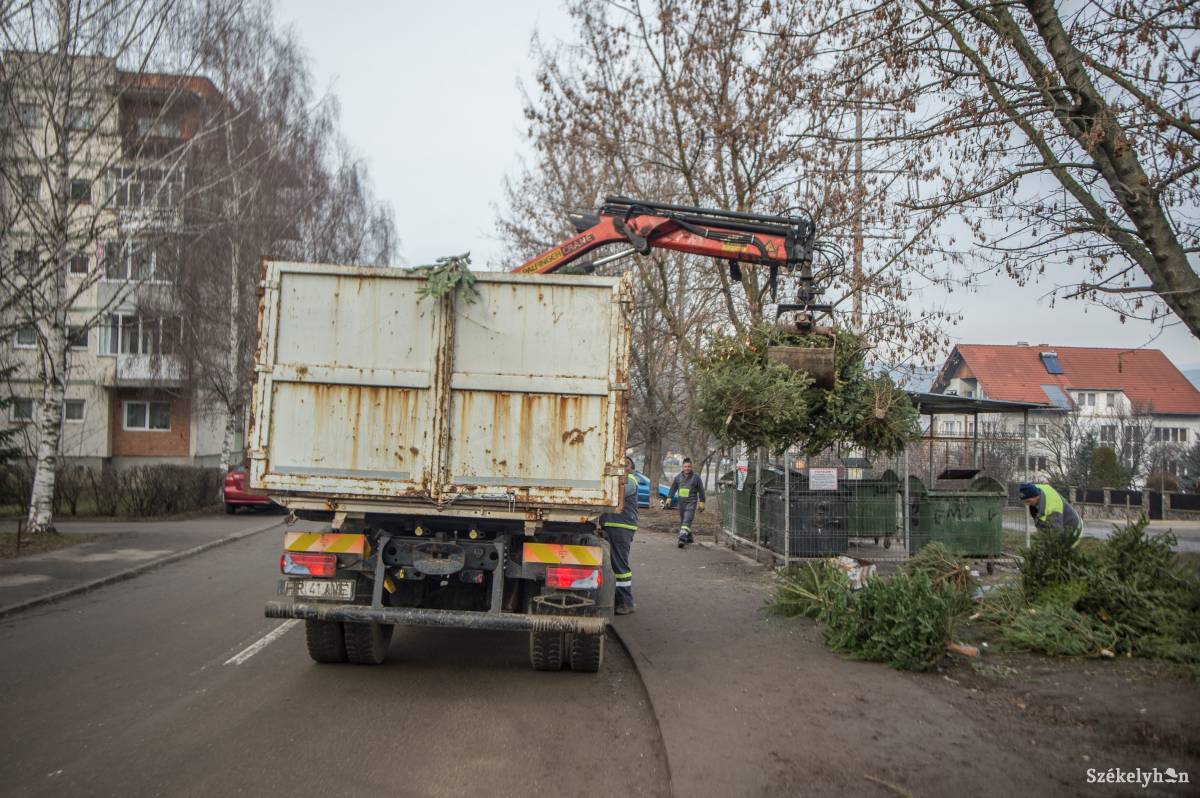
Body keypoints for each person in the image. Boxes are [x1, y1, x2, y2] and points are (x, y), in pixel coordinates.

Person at [600, 456, 639, 615]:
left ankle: (626, 602)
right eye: (622, 464)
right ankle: (619, 600)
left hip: (621, 528)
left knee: (620, 566)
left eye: (627, 465)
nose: (624, 467)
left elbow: (616, 491)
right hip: (613, 526)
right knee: (615, 565)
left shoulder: (631, 481)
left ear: (631, 469)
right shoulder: (622, 479)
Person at [1019, 482, 1082, 546]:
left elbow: (1056, 535)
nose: (1026, 504)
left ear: (1037, 496)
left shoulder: (1053, 509)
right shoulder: (1034, 489)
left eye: (1028, 501)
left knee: (1063, 550)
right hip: (1057, 523)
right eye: (1024, 501)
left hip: (1073, 527)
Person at [663, 457, 706, 548]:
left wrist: (702, 502)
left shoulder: (696, 478)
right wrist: (669, 498)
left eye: (689, 466)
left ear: (691, 467)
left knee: (686, 520)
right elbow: (673, 488)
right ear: (682, 467)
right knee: (684, 522)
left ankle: (682, 539)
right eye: (685, 466)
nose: (687, 468)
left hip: (691, 502)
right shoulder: (678, 478)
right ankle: (689, 538)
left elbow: (701, 490)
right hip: (681, 503)